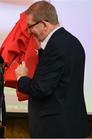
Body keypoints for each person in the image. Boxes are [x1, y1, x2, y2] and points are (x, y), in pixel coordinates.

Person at [15, 1, 89, 138]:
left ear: (43, 24)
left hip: (55, 129)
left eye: (30, 26)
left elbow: (40, 89)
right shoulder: (73, 42)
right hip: (69, 126)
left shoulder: (55, 46)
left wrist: (22, 77)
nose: (29, 32)